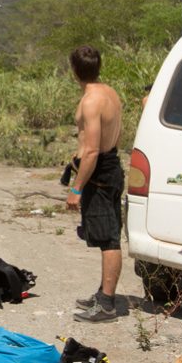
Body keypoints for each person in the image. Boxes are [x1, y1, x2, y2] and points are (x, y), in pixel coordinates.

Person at [64, 45, 125, 323]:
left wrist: (76, 189)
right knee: (106, 234)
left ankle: (107, 305)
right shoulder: (109, 92)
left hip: (100, 171)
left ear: (74, 70)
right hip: (111, 164)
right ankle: (103, 293)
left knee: (108, 238)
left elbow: (90, 149)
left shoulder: (90, 101)